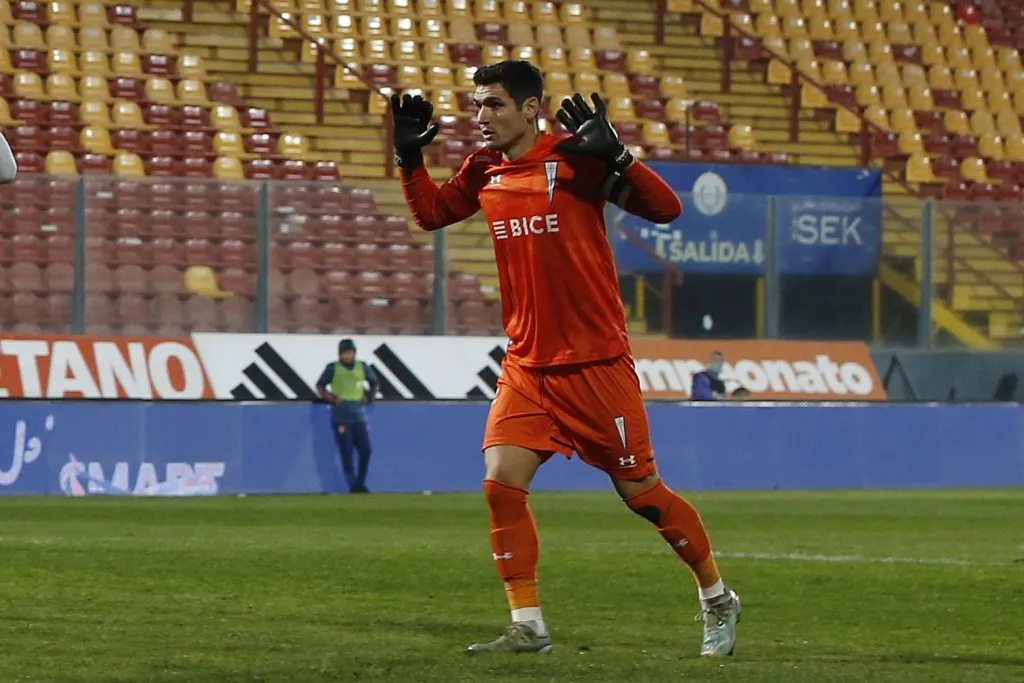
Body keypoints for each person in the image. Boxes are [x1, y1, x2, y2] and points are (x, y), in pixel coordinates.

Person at [392, 60, 741, 657]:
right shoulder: (484, 169)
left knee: (643, 494)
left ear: (531, 109)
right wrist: (408, 159)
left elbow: (667, 211)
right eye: (477, 105)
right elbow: (433, 214)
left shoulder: (578, 160)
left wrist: (622, 157)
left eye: (494, 105)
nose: (481, 117)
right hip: (527, 365)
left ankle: (716, 598)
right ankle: (528, 624)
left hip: (596, 364)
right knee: (502, 483)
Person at [315, 339, 379, 493]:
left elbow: (374, 382)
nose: (348, 356)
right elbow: (320, 385)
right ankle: (353, 483)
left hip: (359, 415)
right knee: (347, 450)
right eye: (345, 353)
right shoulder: (333, 368)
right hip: (341, 416)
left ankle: (360, 481)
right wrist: (331, 399)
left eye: (350, 353)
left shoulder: (362, 367)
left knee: (366, 450)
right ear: (340, 354)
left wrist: (370, 397)